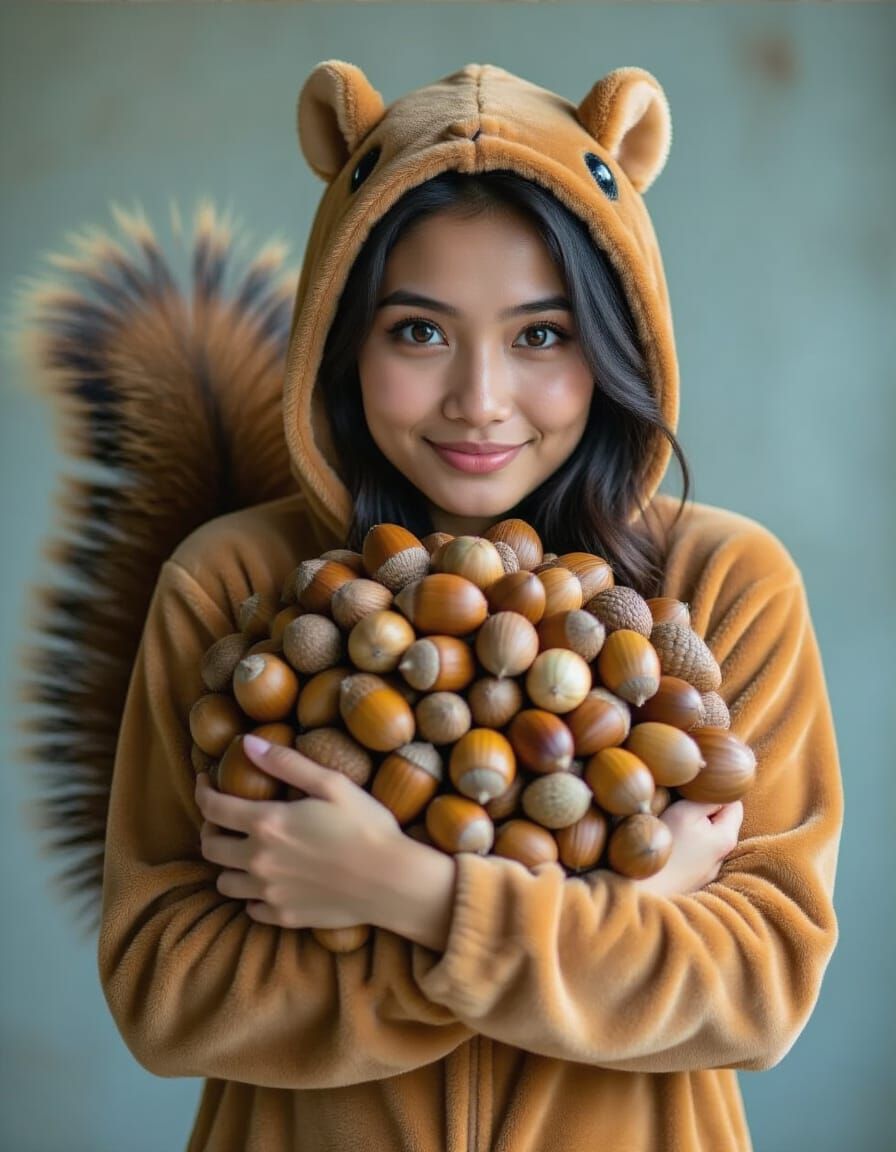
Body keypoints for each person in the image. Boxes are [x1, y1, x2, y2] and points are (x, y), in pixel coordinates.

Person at [97, 62, 843, 1151]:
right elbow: (167, 993)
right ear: (341, 338)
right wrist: (609, 906)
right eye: (418, 331)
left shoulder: (726, 586)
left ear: (615, 343)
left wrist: (404, 893)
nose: (479, 400)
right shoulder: (229, 585)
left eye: (540, 335)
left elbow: (757, 987)